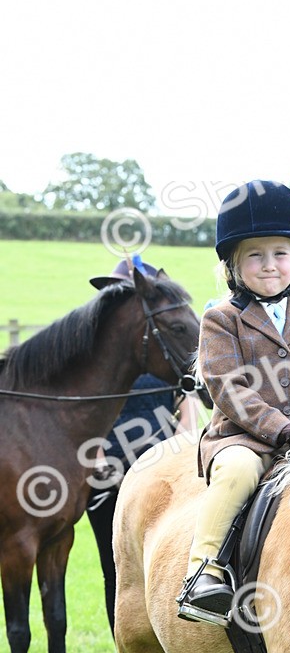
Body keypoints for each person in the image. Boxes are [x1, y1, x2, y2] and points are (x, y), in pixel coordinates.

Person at [177, 180, 290, 623]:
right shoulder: (221, 319)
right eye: (255, 255)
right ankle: (204, 570)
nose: (269, 265)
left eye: (280, 254)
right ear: (234, 266)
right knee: (236, 473)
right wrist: (282, 428)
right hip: (243, 441)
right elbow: (228, 388)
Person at [85, 257, 198, 632]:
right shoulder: (95, 355)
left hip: (160, 471)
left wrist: (181, 452)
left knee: (167, 565)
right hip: (110, 469)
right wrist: (98, 455)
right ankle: (126, 652)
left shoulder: (160, 345)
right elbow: (86, 410)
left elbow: (187, 407)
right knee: (114, 569)